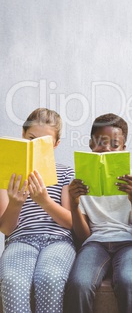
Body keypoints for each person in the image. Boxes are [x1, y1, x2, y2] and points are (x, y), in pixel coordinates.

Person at [64, 113, 132, 313]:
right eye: (101, 143)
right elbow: (83, 235)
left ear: (123, 149)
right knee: (79, 284)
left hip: (130, 244)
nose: (107, 149)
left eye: (115, 145)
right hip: (95, 242)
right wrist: (74, 205)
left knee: (130, 281)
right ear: (91, 145)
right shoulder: (79, 182)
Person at [0, 108, 76, 313]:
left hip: (58, 241)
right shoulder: (6, 174)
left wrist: (45, 201)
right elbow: (6, 229)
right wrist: (16, 204)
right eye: (31, 138)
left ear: (56, 144)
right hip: (20, 239)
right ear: (23, 135)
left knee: (49, 279)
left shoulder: (66, 172)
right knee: (12, 281)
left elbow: (70, 222)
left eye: (43, 143)